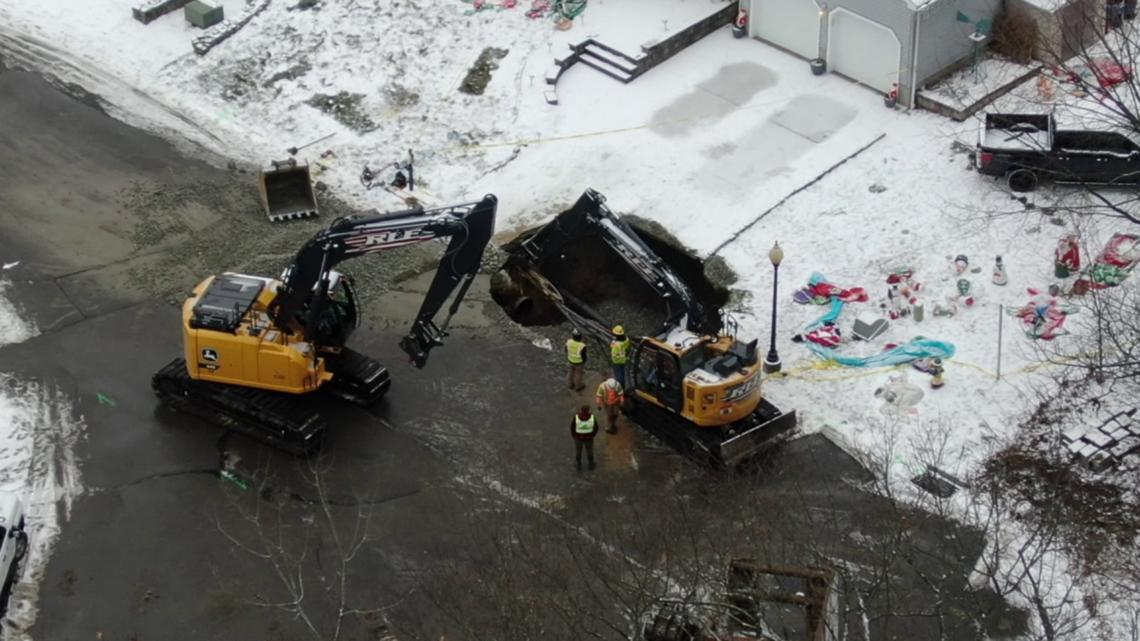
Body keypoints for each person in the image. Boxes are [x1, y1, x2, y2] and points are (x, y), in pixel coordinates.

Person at [570, 404, 598, 471]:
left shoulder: (576, 417)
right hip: (589, 438)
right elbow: (596, 427)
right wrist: (592, 435)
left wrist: (574, 436)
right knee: (590, 451)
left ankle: (579, 465)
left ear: (581, 410)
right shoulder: (592, 417)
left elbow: (572, 427)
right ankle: (590, 464)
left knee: (578, 451)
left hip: (578, 438)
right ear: (588, 410)